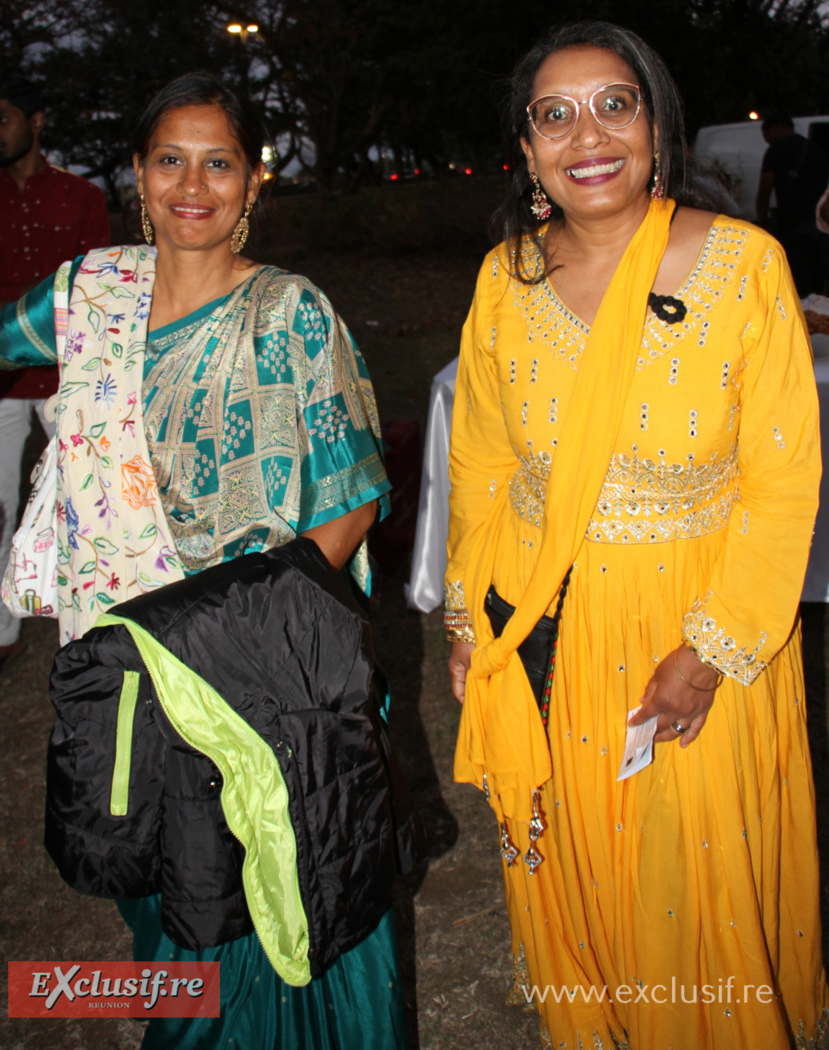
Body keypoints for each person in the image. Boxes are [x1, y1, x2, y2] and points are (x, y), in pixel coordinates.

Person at [0, 73, 409, 1049]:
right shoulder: (93, 292)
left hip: (255, 673)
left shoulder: (292, 313)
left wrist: (236, 642)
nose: (192, 184)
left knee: (271, 913)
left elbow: (352, 500)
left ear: (254, 184)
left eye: (220, 163)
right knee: (162, 897)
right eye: (171, 159)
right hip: (123, 665)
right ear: (137, 173)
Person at [445, 22, 826, 1050]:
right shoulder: (505, 280)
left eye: (614, 103)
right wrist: (466, 621)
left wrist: (711, 651)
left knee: (691, 880)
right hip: (544, 626)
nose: (588, 135)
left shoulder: (745, 267)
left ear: (658, 127)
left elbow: (784, 482)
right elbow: (479, 462)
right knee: (576, 861)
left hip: (695, 627)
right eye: (554, 115)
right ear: (526, 153)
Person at [0, 72, 111, 691]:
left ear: (37, 120)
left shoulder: (80, 198)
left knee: (86, 506)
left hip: (64, 378)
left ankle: (95, 628)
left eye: (2, 118)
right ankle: (3, 633)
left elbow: (95, 291)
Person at [755, 109, 828, 295]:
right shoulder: (817, 150)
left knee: (796, 284)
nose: (766, 141)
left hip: (792, 226)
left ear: (776, 129)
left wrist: (762, 225)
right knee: (817, 285)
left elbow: (764, 191)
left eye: (766, 136)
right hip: (819, 226)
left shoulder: (776, 151)